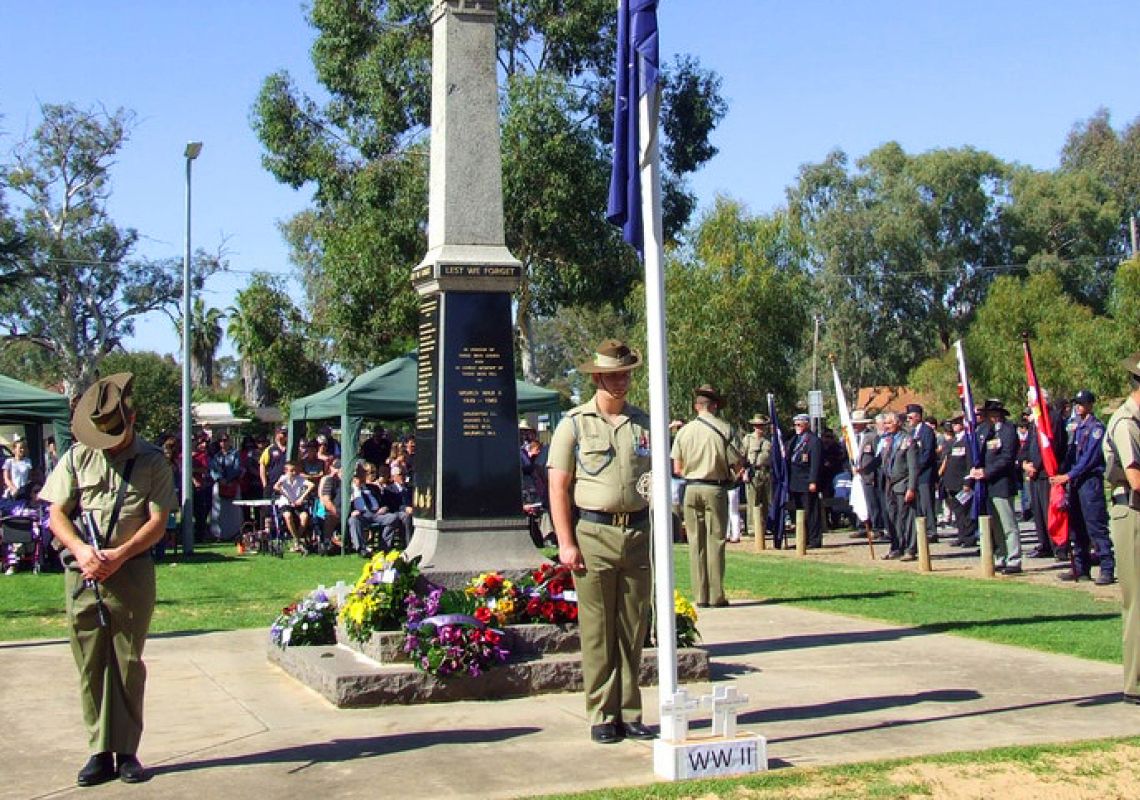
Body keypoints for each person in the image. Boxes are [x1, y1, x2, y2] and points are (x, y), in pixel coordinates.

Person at [39, 372, 176, 786]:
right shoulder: (79, 457)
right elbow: (56, 513)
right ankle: (98, 750)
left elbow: (158, 521)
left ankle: (127, 750)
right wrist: (83, 551)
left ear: (131, 420)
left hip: (130, 572)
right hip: (84, 574)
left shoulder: (153, 461)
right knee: (90, 664)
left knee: (127, 663)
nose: (108, 441)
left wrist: (119, 554)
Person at [547, 339, 654, 745]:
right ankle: (602, 712)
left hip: (637, 532)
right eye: (613, 374)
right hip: (593, 533)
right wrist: (566, 541)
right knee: (597, 630)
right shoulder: (573, 423)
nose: (621, 381)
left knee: (632, 628)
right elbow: (558, 486)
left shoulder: (643, 422)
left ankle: (630, 710)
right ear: (598, 377)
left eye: (626, 373)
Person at [671, 384, 743, 606]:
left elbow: (677, 469)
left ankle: (699, 596)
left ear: (696, 407)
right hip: (715, 487)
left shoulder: (683, 431)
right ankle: (716, 594)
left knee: (695, 542)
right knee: (716, 540)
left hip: (691, 488)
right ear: (713, 406)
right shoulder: (724, 429)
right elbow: (738, 463)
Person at [1103, 352, 1140, 703]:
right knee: (1138, 601)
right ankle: (1136, 684)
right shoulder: (1126, 423)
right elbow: (1134, 478)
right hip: (1132, 511)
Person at [1052, 389, 1115, 584]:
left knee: (1095, 526)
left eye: (1082, 403)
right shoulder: (1075, 426)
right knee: (1077, 527)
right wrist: (1060, 471)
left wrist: (1068, 475)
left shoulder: (1096, 428)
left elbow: (1089, 459)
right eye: (1076, 404)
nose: (1078, 407)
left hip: (1089, 482)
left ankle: (1106, 568)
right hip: (1076, 482)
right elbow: (1070, 454)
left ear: (1090, 405)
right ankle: (1081, 568)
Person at [970, 398, 1022, 575]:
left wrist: (987, 471)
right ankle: (1001, 555)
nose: (989, 417)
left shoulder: (1008, 431)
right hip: (986, 485)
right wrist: (976, 470)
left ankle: (1014, 558)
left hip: (1001, 482)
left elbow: (1007, 458)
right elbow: (977, 453)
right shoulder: (982, 431)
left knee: (1008, 523)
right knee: (995, 525)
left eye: (992, 413)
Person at [1022, 388, 1069, 559]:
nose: (1029, 404)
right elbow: (1028, 444)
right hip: (1035, 473)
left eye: (1031, 400)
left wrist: (1036, 465)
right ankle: (1045, 544)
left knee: (1052, 512)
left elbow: (1051, 446)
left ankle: (1059, 547)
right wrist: (1024, 462)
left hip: (1048, 472)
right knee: (1039, 512)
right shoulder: (1035, 420)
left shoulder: (1053, 418)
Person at [883, 411, 918, 561]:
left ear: (897, 423)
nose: (886, 426)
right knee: (892, 517)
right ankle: (896, 546)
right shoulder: (887, 441)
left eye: (889, 423)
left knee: (907, 518)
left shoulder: (907, 440)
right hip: (890, 484)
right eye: (885, 423)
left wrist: (911, 488)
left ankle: (910, 549)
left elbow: (913, 467)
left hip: (903, 483)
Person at [786, 412, 823, 548]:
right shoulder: (794, 440)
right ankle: (802, 539)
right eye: (795, 424)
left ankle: (814, 540)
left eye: (799, 424)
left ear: (806, 424)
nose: (797, 427)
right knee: (799, 512)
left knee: (811, 512)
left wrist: (813, 481)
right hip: (795, 481)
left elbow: (816, 463)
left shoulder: (813, 441)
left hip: (807, 481)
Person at [941, 415, 979, 548]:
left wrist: (968, 482)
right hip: (952, 483)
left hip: (963, 483)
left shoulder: (968, 440)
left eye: (957, 423)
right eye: (953, 423)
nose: (955, 425)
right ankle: (961, 536)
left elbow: (970, 463)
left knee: (966, 511)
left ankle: (969, 538)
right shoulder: (954, 441)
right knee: (958, 512)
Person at [905, 403, 939, 543]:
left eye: (910, 417)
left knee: (927, 503)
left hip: (925, 474)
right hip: (915, 475)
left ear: (918, 416)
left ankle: (931, 531)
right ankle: (922, 529)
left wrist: (917, 468)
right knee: (918, 504)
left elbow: (927, 453)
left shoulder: (927, 431)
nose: (908, 420)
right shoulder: (912, 432)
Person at [850, 409, 880, 540]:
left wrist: (872, 473)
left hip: (869, 475)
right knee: (859, 500)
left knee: (872, 502)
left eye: (857, 424)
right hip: (857, 475)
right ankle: (862, 526)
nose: (854, 426)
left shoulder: (872, 437)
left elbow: (877, 457)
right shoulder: (852, 438)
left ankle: (876, 527)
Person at [742, 413, 773, 541]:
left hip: (766, 473)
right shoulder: (748, 439)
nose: (759, 428)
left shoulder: (768, 441)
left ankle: (764, 527)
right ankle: (752, 528)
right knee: (752, 501)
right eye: (757, 426)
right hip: (753, 472)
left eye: (762, 426)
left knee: (766, 501)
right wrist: (744, 472)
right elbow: (742, 456)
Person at [208, 433, 242, 540]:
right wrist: (220, 479)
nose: (223, 443)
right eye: (221, 441)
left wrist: (228, 480)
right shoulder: (216, 456)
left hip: (233, 485)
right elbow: (213, 470)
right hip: (219, 485)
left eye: (226, 440)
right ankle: (218, 534)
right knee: (218, 511)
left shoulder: (235, 454)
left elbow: (237, 468)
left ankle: (235, 533)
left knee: (234, 511)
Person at [273, 461, 314, 552]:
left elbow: (311, 485)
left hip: (297, 503)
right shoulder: (283, 478)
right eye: (291, 471)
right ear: (286, 471)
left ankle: (297, 540)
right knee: (288, 516)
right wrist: (287, 496)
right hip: (286, 503)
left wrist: (302, 497)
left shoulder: (300, 478)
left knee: (305, 516)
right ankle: (297, 540)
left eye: (295, 470)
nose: (293, 473)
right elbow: (276, 487)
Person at [258, 426, 289, 501]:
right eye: (283, 433)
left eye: (286, 434)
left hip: (288, 485)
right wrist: (265, 484)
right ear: (277, 434)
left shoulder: (290, 448)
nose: (285, 436)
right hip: (272, 484)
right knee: (268, 509)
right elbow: (262, 466)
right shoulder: (270, 449)